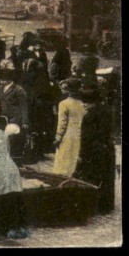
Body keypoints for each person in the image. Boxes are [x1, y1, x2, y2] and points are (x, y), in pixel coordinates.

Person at [73, 82, 116, 214]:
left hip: (93, 152)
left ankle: (91, 205)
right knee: (106, 177)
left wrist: (81, 155)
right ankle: (106, 205)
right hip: (107, 149)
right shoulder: (106, 111)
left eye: (85, 102)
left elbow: (86, 138)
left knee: (91, 177)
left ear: (90, 102)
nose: (83, 104)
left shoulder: (88, 116)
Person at [52, 79, 86, 176]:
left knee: (64, 164)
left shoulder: (64, 104)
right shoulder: (83, 103)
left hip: (68, 135)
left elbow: (62, 124)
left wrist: (57, 138)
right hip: (80, 133)